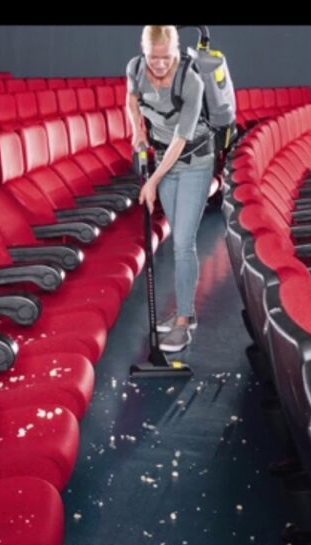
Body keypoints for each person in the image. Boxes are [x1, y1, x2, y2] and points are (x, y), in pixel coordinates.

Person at [126, 25, 215, 353]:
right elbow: (131, 100)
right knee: (179, 239)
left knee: (181, 244)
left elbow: (180, 140)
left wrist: (152, 181)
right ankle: (185, 312)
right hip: (164, 161)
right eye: (153, 57)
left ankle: (183, 323)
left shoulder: (190, 81)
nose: (158, 64)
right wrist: (136, 130)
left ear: (175, 52)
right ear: (143, 50)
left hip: (193, 162)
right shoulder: (135, 68)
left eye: (165, 58)